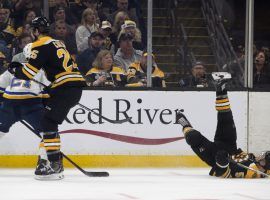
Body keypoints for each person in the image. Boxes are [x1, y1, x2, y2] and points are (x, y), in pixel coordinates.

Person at [14, 16, 86, 180]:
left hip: (66, 88)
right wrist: (52, 88)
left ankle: (54, 164)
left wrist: (15, 70)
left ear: (35, 31)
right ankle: (53, 161)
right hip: (70, 86)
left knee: (47, 123)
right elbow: (58, 69)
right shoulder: (57, 43)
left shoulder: (39, 45)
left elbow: (27, 73)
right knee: (48, 121)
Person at [176, 72, 270, 178]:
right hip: (230, 146)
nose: (260, 156)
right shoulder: (254, 162)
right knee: (226, 117)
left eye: (263, 158)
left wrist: (222, 162)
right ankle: (221, 88)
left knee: (193, 137)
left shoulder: (251, 171)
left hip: (214, 154)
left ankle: (185, 125)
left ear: (265, 165)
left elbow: (220, 173)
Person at [0, 42, 49, 165]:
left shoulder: (14, 68)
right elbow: (47, 93)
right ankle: (43, 163)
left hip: (9, 103)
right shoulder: (41, 71)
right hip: (31, 104)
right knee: (48, 132)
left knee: (1, 129)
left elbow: (0, 86)